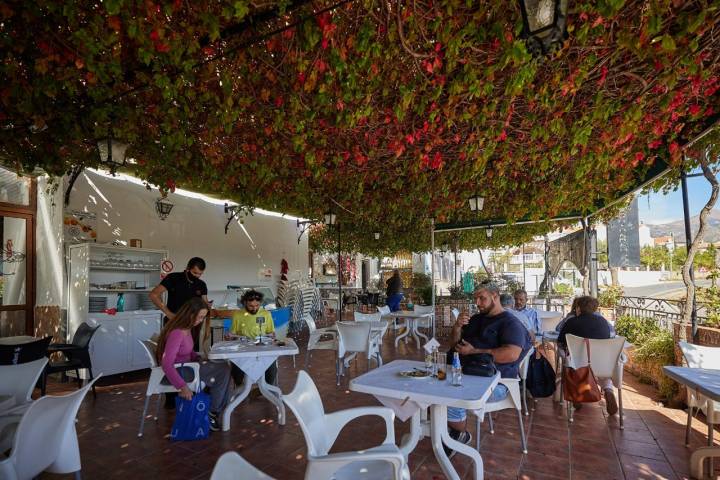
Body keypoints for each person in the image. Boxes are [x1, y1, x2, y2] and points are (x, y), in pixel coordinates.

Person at [446, 283, 531, 457]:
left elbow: (511, 354)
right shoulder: (477, 319)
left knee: (448, 395)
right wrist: (457, 328)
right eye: (475, 298)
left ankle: (458, 434)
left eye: (482, 298)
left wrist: (473, 351)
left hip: (497, 382)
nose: (477, 302)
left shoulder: (510, 323)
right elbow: (455, 345)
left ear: (495, 296)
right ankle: (447, 430)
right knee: (430, 387)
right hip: (465, 373)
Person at [155, 297, 232, 432]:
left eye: (203, 317)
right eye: (200, 317)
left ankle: (215, 409)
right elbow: (167, 364)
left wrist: (199, 357)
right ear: (190, 314)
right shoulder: (177, 332)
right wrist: (183, 387)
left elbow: (187, 352)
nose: (201, 320)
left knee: (223, 366)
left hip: (188, 367)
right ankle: (212, 411)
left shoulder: (186, 328)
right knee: (224, 369)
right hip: (182, 372)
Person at [149, 257, 209, 407]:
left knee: (190, 354)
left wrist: (208, 309)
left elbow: (204, 302)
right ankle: (171, 399)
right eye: (195, 273)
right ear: (188, 268)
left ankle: (191, 393)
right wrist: (168, 313)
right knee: (171, 357)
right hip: (175, 324)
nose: (197, 276)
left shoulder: (201, 284)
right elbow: (154, 295)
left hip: (193, 326)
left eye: (200, 274)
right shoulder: (174, 278)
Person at [557, 295, 618, 415]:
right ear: (595, 308)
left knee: (565, 356)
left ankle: (576, 393)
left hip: (578, 365)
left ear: (578, 308)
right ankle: (608, 390)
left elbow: (560, 341)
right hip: (601, 364)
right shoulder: (602, 322)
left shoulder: (572, 322)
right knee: (602, 373)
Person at [229, 289, 277, 386]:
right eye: (251, 306)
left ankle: (266, 387)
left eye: (257, 306)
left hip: (262, 350)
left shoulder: (266, 314)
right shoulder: (238, 315)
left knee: (271, 369)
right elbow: (232, 335)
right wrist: (230, 336)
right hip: (243, 350)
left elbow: (271, 333)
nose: (254, 308)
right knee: (236, 368)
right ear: (245, 303)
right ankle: (240, 387)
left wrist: (271, 336)